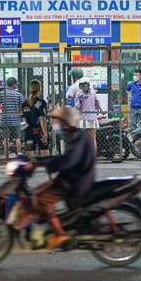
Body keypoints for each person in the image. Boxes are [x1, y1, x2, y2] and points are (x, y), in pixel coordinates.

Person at [30, 106, 95, 250]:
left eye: (57, 121)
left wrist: (45, 162)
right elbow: (65, 159)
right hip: (72, 178)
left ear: (65, 122)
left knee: (43, 198)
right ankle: (46, 227)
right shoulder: (73, 135)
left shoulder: (77, 138)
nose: (55, 124)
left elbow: (68, 161)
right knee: (35, 193)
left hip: (76, 182)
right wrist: (41, 161)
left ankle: (60, 234)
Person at [0, 77, 24, 156]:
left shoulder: (2, 94)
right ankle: (19, 154)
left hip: (5, 120)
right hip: (16, 120)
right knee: (17, 138)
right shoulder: (18, 95)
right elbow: (23, 105)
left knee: (6, 139)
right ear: (14, 85)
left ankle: (6, 156)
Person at [22, 79, 50, 165]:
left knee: (29, 156)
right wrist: (45, 134)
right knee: (45, 156)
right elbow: (42, 118)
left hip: (28, 132)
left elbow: (24, 120)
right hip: (39, 131)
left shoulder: (25, 103)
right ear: (39, 89)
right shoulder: (41, 102)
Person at [73, 78, 101, 154]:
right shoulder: (93, 93)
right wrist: (98, 108)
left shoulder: (79, 93)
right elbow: (97, 103)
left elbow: (77, 106)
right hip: (92, 118)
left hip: (83, 118)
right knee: (93, 138)